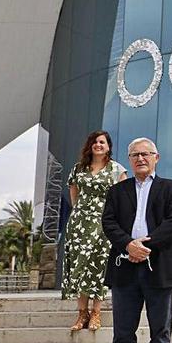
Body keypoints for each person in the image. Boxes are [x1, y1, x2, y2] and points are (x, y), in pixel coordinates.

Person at [102, 137, 172, 343]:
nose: (141, 159)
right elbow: (109, 223)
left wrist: (144, 246)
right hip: (124, 269)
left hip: (159, 268)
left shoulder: (171, 189)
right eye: (135, 155)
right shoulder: (117, 191)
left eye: (146, 154)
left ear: (156, 158)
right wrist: (128, 245)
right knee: (123, 333)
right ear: (129, 160)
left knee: (160, 331)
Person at [63, 130, 127, 331]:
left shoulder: (117, 169)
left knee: (99, 266)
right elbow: (74, 195)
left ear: (108, 146)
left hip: (104, 223)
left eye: (102, 142)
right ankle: (82, 313)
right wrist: (81, 216)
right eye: (95, 142)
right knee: (80, 266)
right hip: (79, 224)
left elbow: (124, 198)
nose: (98, 145)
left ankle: (96, 313)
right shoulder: (78, 168)